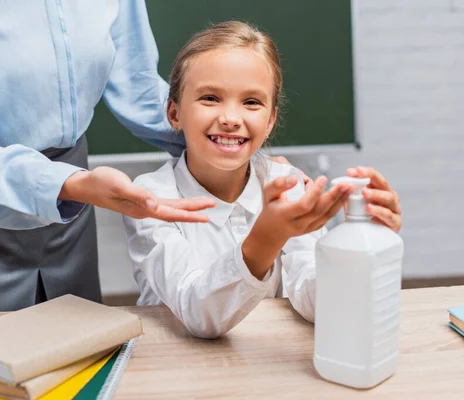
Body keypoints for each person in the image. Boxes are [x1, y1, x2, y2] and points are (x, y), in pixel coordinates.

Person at [0, 0, 224, 384]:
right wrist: (68, 185)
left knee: (78, 374)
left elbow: (138, 88)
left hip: (71, 211)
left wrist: (241, 152)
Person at [123, 21, 403, 339]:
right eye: (210, 98)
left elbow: (316, 301)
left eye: (251, 102)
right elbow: (198, 314)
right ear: (175, 114)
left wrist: (365, 246)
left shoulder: (287, 184)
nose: (230, 118)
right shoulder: (149, 198)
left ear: (270, 121)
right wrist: (267, 237)